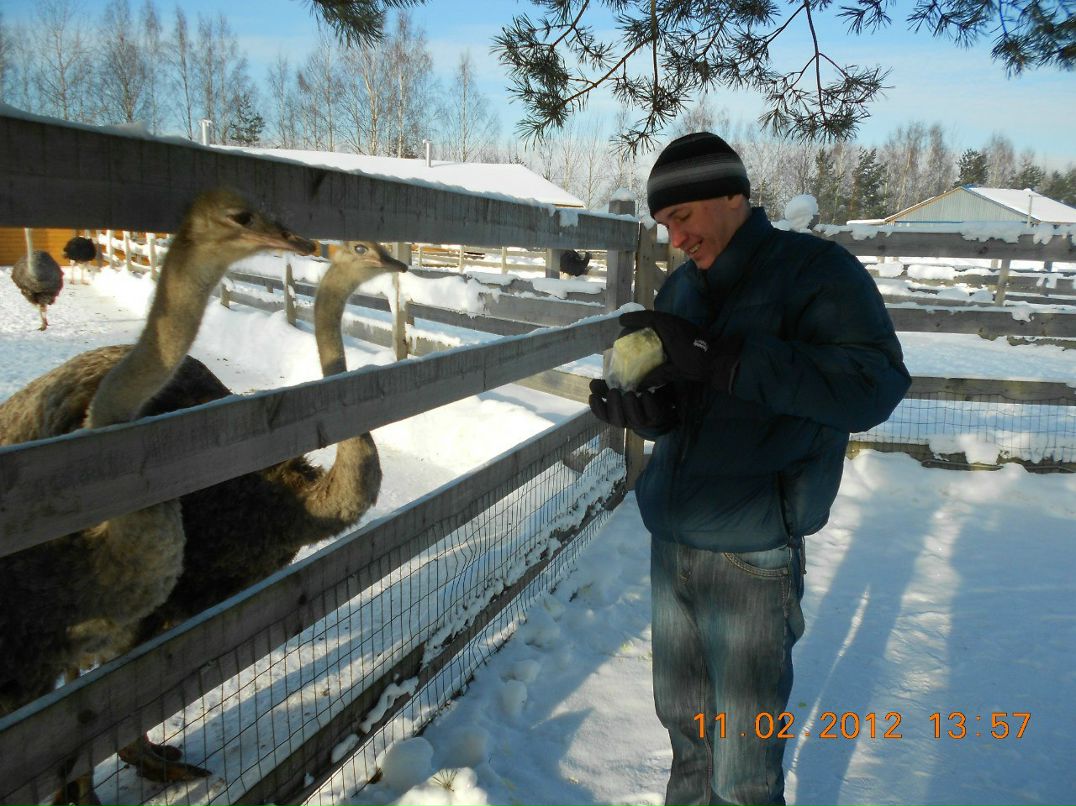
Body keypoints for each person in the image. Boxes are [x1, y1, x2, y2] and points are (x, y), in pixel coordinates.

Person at [589, 132, 910, 806]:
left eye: (683, 217)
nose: (675, 239)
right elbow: (687, 405)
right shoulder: (682, 287)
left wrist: (726, 357)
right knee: (687, 740)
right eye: (664, 224)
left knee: (742, 772)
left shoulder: (816, 272)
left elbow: (874, 386)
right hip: (672, 541)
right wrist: (648, 413)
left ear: (733, 196)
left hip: (752, 552)